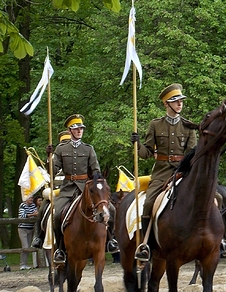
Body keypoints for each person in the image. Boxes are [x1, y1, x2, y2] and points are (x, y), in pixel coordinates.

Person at [131, 83, 198, 261]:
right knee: (148, 204)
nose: (180, 104)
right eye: (176, 102)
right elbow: (146, 153)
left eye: (181, 101)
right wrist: (137, 145)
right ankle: (146, 245)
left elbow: (192, 153)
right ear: (166, 104)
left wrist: (187, 170)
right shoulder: (155, 125)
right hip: (161, 172)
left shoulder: (188, 127)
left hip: (183, 171)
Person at [46, 114, 119, 263]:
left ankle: (111, 240)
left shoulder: (88, 149)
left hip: (86, 189)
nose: (79, 131)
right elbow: (52, 171)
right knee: (56, 214)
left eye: (81, 128)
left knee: (111, 209)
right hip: (67, 189)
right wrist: (49, 157)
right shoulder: (61, 149)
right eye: (76, 129)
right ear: (70, 130)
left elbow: (96, 169)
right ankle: (60, 249)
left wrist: (97, 181)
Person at [32, 130, 72, 249]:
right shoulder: (55, 157)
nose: (66, 145)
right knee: (43, 209)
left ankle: (108, 237)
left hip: (72, 189)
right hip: (56, 191)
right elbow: (51, 173)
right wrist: (49, 157)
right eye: (63, 143)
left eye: (68, 142)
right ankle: (39, 236)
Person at [18, 196, 38, 270]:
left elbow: (36, 213)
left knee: (28, 247)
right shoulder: (22, 205)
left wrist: (33, 215)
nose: (31, 200)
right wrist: (32, 215)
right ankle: (22, 264)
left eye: (32, 198)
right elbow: (22, 216)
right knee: (25, 246)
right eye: (30, 198)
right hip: (23, 228)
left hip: (30, 228)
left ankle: (25, 264)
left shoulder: (33, 205)